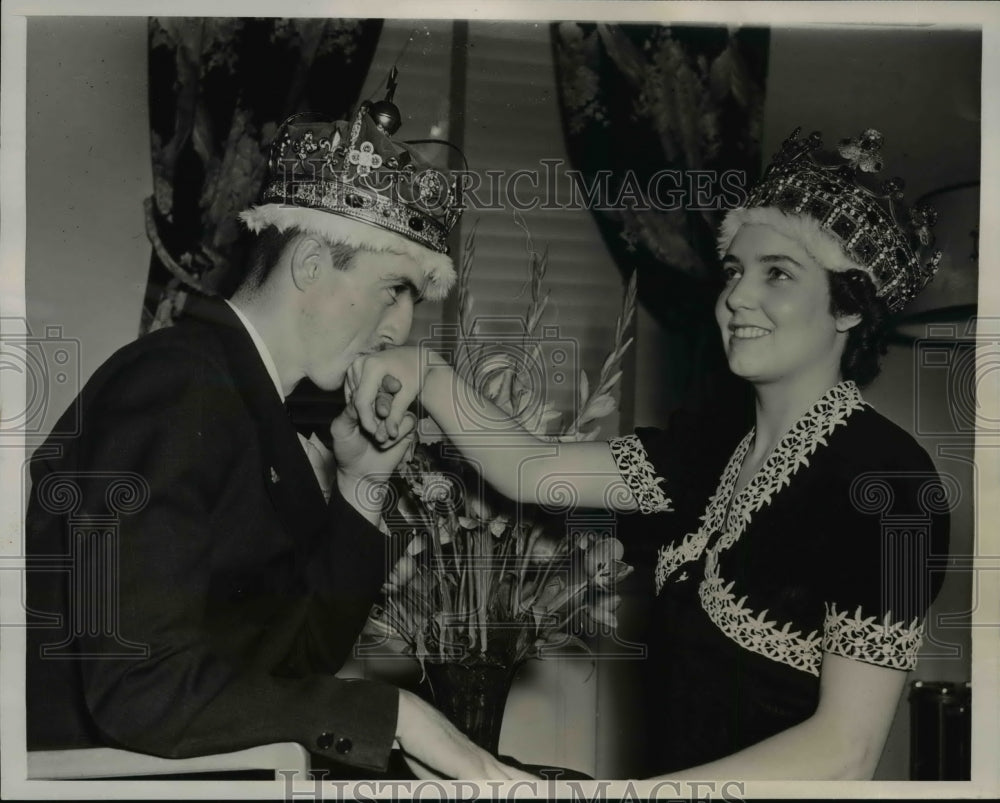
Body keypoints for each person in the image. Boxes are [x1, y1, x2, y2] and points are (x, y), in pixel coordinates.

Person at [345, 127, 952, 779]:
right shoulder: (708, 447)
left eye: (777, 273)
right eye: (734, 271)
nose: (737, 297)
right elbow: (535, 469)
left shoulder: (894, 485)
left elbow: (845, 752)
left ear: (850, 309)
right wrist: (426, 372)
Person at [25, 93, 533, 781]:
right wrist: (397, 715)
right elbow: (138, 688)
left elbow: (289, 669)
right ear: (312, 263)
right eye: (394, 290)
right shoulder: (177, 385)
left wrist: (361, 486)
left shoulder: (251, 404)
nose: (402, 329)